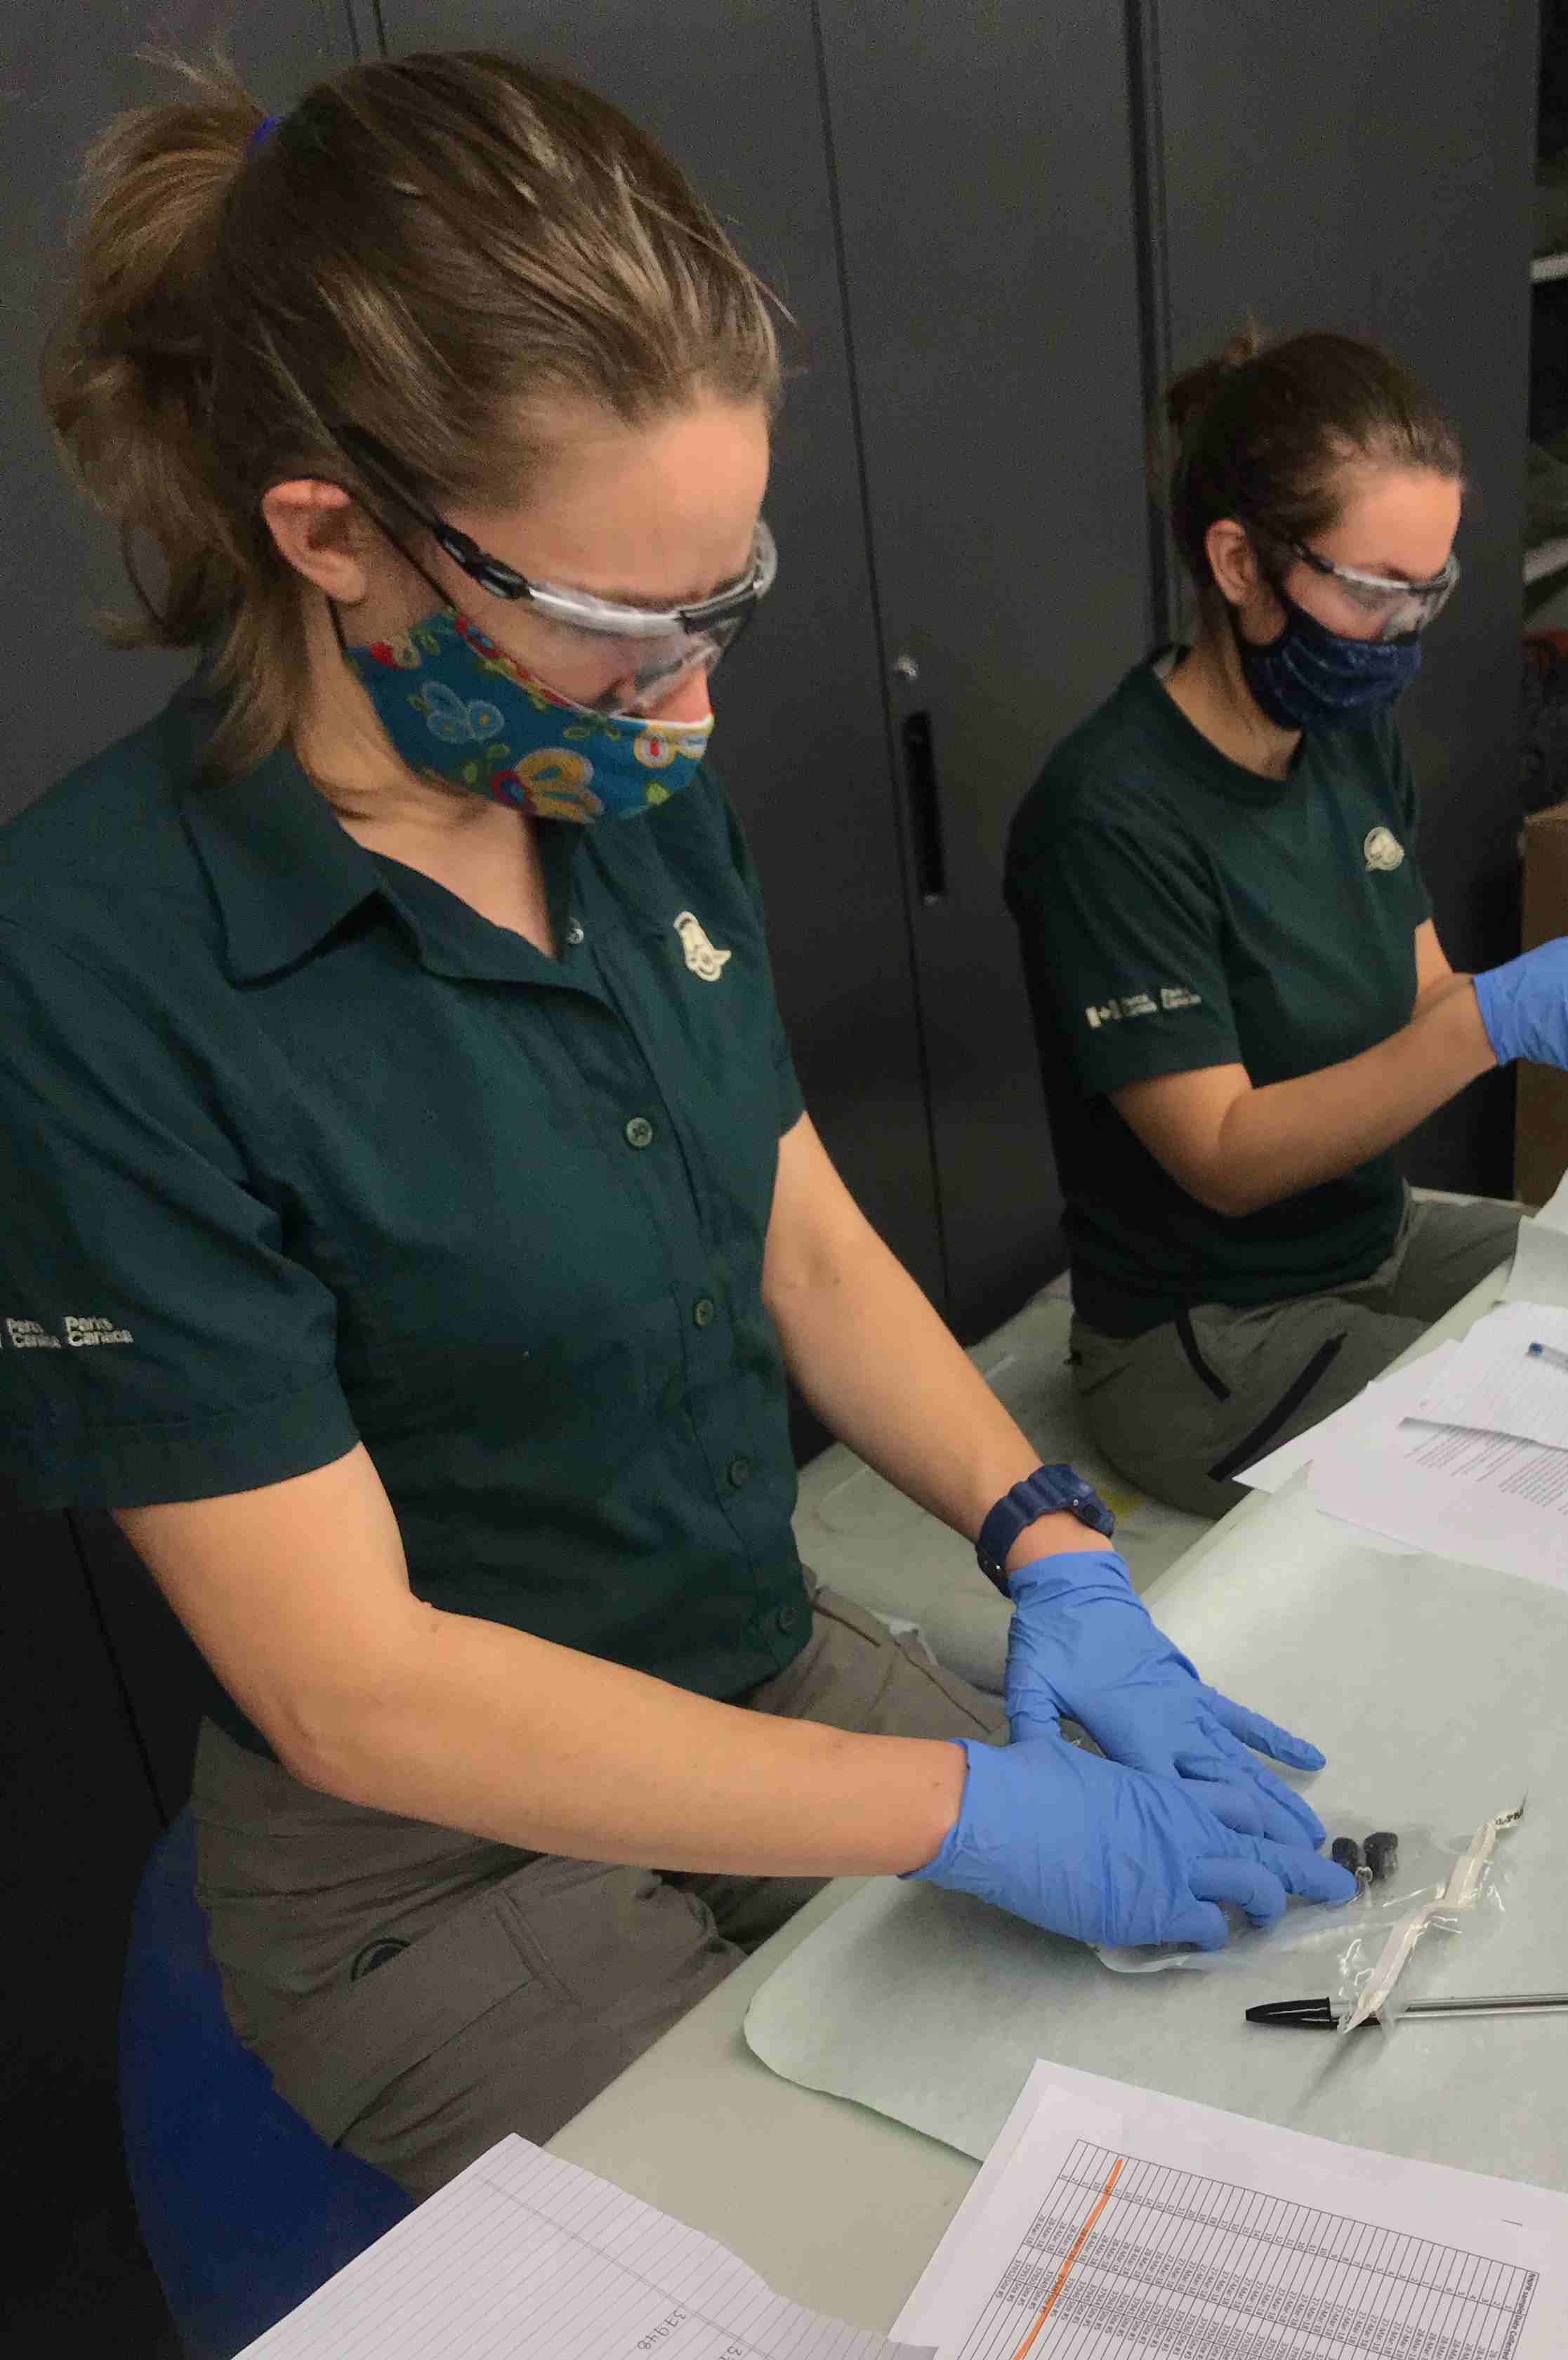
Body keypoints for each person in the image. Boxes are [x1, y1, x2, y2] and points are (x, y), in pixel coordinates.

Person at [1, 55, 1353, 2201]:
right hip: (430, 1852)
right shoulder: (91, 967)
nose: (696, 708)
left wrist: (1052, 1542)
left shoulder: (608, 786)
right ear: (335, 537)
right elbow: (359, 1691)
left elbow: (795, 1232)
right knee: (895, 2265)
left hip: (746, 1658)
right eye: (625, 632)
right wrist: (966, 1811)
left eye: (720, 606)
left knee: (1221, 2069)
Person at [1006, 330, 1568, 1515]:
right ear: (1238, 563)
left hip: (1370, 1248)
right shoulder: (1110, 815)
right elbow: (1226, 1157)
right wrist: (1495, 1023)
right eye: (1372, 589)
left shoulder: (1343, 735)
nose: (1404, 633)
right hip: (1209, 1340)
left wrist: (1550, 988)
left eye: (1428, 589)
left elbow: (1429, 990)